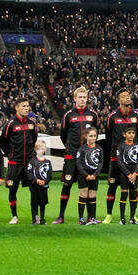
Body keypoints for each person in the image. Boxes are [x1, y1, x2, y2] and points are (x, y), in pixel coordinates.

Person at [56, 86, 98, 225]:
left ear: (87, 99)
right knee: (67, 183)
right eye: (79, 97)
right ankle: (61, 215)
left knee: (87, 186)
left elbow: (94, 132)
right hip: (72, 155)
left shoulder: (93, 115)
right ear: (74, 99)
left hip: (87, 156)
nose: (82, 99)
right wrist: (70, 147)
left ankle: (89, 216)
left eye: (84, 97)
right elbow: (63, 135)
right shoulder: (68, 115)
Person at [0, 98, 45, 225]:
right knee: (12, 189)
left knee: (34, 189)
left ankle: (35, 216)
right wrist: (11, 154)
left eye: (27, 106)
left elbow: (34, 139)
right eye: (23, 106)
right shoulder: (10, 124)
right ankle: (14, 216)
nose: (26, 108)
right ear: (17, 108)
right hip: (15, 163)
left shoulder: (32, 124)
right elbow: (3, 141)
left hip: (30, 163)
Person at [104, 90, 138, 221]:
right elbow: (108, 137)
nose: (127, 98)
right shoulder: (112, 117)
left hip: (131, 160)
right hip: (116, 158)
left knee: (133, 188)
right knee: (112, 186)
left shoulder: (137, 116)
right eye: (124, 96)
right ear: (119, 100)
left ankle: (133, 215)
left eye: (128, 95)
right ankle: (109, 214)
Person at [111, 126, 138, 225]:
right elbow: (119, 161)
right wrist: (129, 174)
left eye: (133, 133)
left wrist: (135, 173)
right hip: (124, 173)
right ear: (124, 134)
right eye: (129, 133)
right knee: (124, 193)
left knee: (134, 194)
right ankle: (122, 218)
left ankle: (132, 217)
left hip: (135, 172)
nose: (131, 135)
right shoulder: (121, 145)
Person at [74, 126, 103, 225]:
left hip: (94, 175)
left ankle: (92, 217)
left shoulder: (99, 148)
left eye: (95, 136)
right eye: (91, 136)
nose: (93, 138)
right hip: (83, 175)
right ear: (86, 136)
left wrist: (95, 174)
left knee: (92, 196)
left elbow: (100, 163)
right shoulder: (82, 149)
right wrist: (86, 175)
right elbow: (78, 163)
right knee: (83, 195)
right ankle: (81, 218)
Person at [26, 139, 52, 224]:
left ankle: (42, 218)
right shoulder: (32, 161)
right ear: (35, 150)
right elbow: (29, 172)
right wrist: (36, 180)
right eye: (38, 149)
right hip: (34, 186)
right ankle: (34, 218)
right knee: (34, 202)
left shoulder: (47, 162)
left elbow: (50, 174)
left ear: (45, 150)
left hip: (43, 186)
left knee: (42, 202)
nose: (40, 151)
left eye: (42, 149)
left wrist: (45, 181)